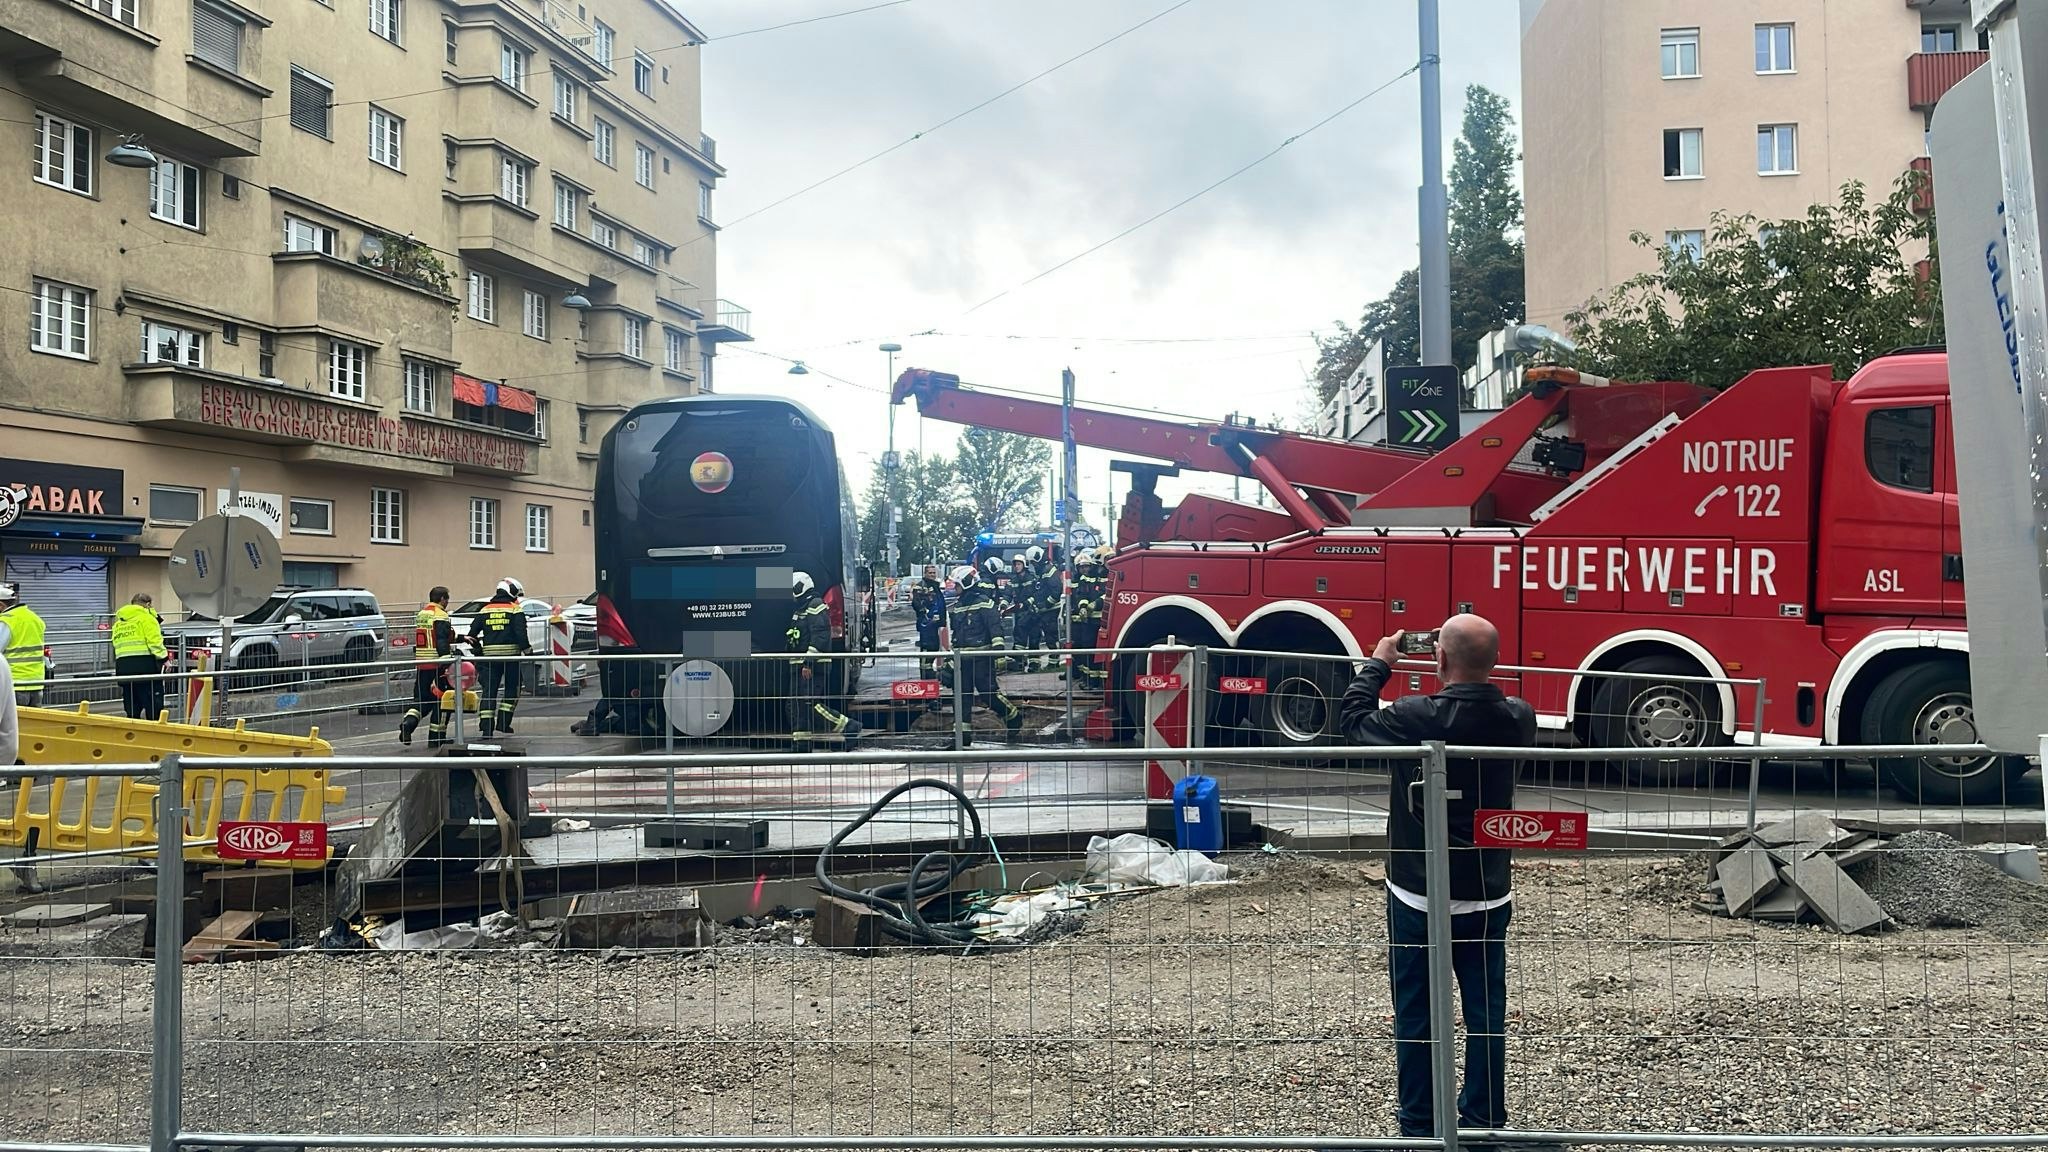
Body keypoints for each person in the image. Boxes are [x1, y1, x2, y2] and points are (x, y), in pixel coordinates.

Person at [1337, 614, 1535, 1144]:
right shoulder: (1519, 717)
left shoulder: (1414, 715)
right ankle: (1486, 1117)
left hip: (1417, 884)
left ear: (1439, 659)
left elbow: (1352, 721)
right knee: (1486, 1006)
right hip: (1487, 886)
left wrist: (1380, 662)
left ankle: (1420, 1123)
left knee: (1417, 1007)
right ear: (1494, 661)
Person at [785, 571, 863, 751]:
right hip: (798, 666)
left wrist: (808, 663)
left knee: (810, 704)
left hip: (810, 667)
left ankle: (849, 726)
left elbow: (820, 636)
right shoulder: (801, 608)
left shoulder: (815, 605)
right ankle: (801, 743)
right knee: (796, 706)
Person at [945, 563, 1023, 741]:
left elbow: (996, 631)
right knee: (961, 697)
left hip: (982, 660)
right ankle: (962, 736)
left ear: (966, 583)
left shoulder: (985, 604)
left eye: (956, 584)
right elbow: (957, 638)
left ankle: (1013, 717)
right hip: (963, 662)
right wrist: (950, 663)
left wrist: (999, 655)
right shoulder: (957, 606)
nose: (954, 588)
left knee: (988, 695)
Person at [466, 578, 530, 739]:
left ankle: (487, 730)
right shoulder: (515, 610)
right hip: (511, 659)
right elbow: (521, 634)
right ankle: (503, 722)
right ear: (511, 592)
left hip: (489, 660)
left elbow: (472, 634)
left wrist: (479, 651)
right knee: (512, 689)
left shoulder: (484, 610)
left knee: (489, 692)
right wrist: (528, 651)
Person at [400, 587, 458, 747]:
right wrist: (447, 664)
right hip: (436, 665)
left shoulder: (422, 614)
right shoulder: (440, 615)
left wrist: (459, 637)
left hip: (422, 664)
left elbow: (431, 636)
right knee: (443, 700)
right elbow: (440, 640)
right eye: (447, 599)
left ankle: (408, 724)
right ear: (443, 599)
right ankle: (436, 738)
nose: (447, 603)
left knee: (422, 700)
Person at [111, 593, 168, 721]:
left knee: (132, 706)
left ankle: (133, 733)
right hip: (145, 666)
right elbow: (154, 641)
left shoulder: (119, 623)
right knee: (153, 705)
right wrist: (164, 659)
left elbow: (115, 643)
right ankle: (153, 734)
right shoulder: (146, 618)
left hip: (123, 667)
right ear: (148, 605)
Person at [1064, 549, 1108, 688]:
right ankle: (1088, 679)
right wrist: (1083, 606)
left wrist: (1095, 604)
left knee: (1098, 651)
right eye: (1082, 567)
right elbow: (1081, 595)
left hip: (1101, 620)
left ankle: (1098, 682)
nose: (1085, 569)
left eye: (1087, 566)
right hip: (1086, 622)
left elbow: (1105, 594)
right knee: (1086, 650)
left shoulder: (1103, 576)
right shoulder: (1083, 579)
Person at [0, 584, 45, 708]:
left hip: (14, 681)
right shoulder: (34, 617)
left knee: (12, 724)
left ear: (1, 605)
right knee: (33, 723)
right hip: (37, 681)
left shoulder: (6, 621)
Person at [911, 566, 948, 679]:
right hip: (926, 625)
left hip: (934, 624)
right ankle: (926, 678)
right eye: (930, 573)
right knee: (927, 649)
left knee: (934, 647)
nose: (932, 575)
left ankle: (930, 675)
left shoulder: (935, 586)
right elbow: (916, 602)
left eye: (934, 573)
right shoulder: (921, 586)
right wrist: (925, 614)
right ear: (925, 573)